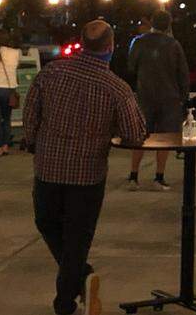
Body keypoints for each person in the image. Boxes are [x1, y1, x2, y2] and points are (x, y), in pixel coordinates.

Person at [24, 20, 147, 315]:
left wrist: (33, 141)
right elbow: (134, 134)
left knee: (47, 223)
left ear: (81, 42)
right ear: (110, 47)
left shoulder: (51, 73)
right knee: (77, 237)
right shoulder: (117, 88)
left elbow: (30, 113)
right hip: (87, 174)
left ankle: (77, 282)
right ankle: (69, 296)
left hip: (48, 167)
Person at [126, 10, 189, 191]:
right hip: (169, 97)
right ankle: (159, 177)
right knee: (164, 138)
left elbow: (131, 67)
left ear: (152, 22)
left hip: (144, 95)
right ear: (169, 24)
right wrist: (184, 98)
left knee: (140, 135)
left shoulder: (138, 42)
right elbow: (183, 74)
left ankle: (133, 176)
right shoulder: (174, 45)